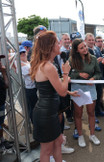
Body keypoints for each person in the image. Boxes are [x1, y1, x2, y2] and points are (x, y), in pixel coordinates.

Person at [30, 31, 70, 162]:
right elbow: (62, 92)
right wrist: (65, 74)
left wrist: (69, 90)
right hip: (46, 114)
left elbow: (51, 88)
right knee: (46, 150)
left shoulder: (43, 64)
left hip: (48, 112)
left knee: (58, 142)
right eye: (57, 42)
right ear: (50, 46)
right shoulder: (48, 66)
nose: (60, 45)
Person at [69, 38, 102, 148]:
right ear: (76, 50)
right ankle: (80, 135)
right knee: (78, 114)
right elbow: (66, 75)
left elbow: (99, 73)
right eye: (81, 48)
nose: (85, 49)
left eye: (85, 46)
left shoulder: (92, 58)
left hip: (90, 88)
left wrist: (93, 78)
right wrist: (79, 75)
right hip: (77, 89)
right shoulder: (71, 60)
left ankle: (92, 135)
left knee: (91, 112)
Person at [19, 45, 38, 123]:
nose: (23, 54)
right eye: (21, 53)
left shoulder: (27, 62)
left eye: (24, 52)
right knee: (33, 108)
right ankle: (35, 124)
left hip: (34, 88)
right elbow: (34, 73)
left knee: (35, 108)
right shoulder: (21, 65)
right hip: (30, 89)